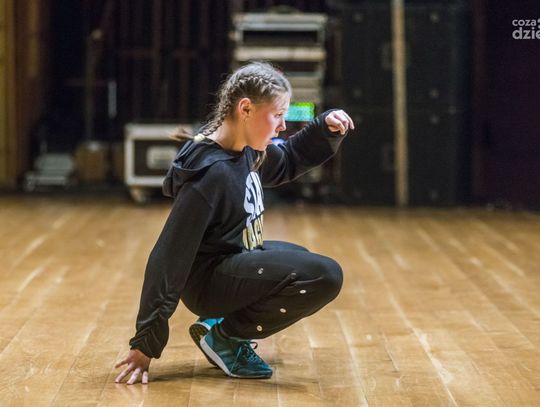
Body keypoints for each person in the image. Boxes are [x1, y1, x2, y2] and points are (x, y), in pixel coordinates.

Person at [114, 61, 355, 384]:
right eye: (277, 115)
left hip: (230, 262)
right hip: (209, 283)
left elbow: (287, 160)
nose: (282, 126)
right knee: (323, 275)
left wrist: (324, 127)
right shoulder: (211, 175)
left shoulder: (243, 150)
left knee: (300, 258)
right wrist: (146, 342)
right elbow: (169, 258)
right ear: (245, 109)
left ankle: (217, 326)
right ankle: (225, 336)